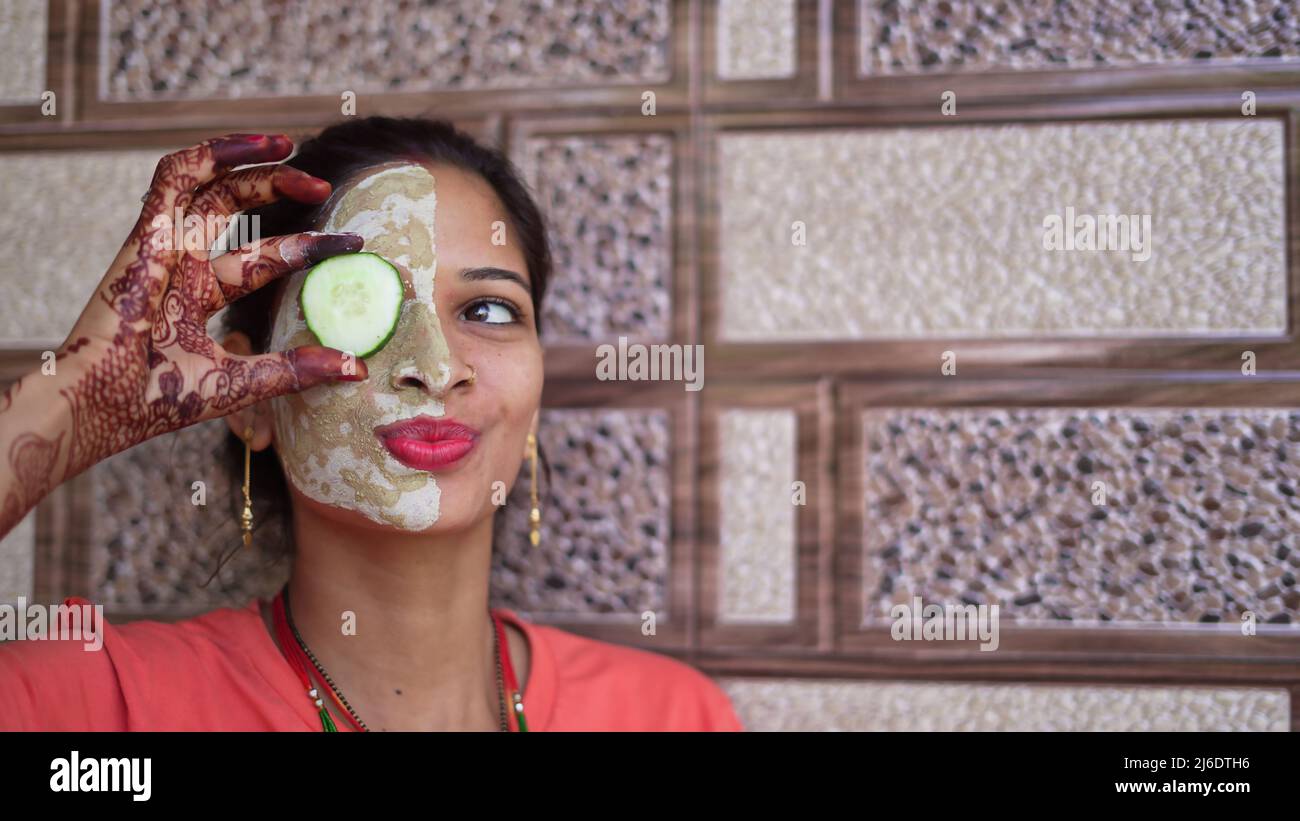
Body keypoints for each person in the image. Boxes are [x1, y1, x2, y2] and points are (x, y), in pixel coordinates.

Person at [0, 117, 743, 732]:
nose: (436, 364)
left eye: (488, 310)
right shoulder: (93, 708)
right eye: (361, 303)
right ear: (248, 396)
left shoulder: (672, 715)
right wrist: (66, 409)